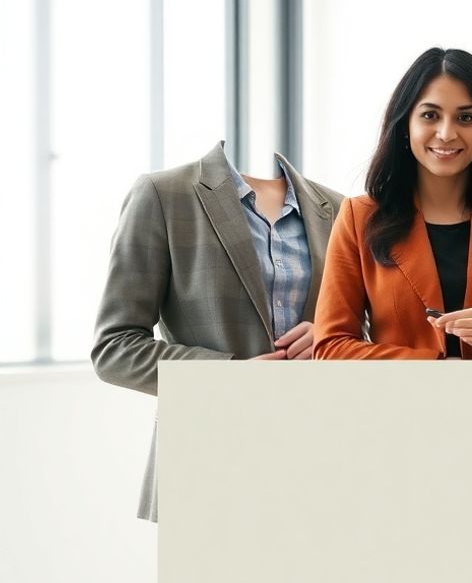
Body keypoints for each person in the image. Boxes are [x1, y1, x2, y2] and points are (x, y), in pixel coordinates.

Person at [92, 142, 343, 521]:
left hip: (318, 454)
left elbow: (366, 334)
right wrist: (228, 375)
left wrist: (328, 336)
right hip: (206, 453)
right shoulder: (163, 194)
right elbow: (115, 348)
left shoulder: (337, 207)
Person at [314, 48, 472, 361]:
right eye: (430, 115)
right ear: (405, 125)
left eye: (466, 117)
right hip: (393, 407)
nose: (447, 133)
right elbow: (330, 348)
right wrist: (435, 367)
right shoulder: (360, 218)